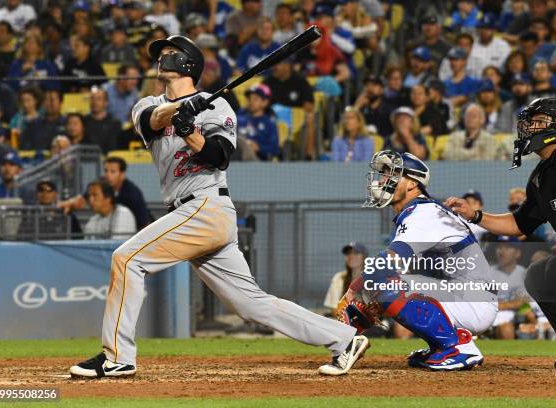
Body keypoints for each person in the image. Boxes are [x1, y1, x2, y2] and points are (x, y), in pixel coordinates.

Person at [69, 35, 367, 379]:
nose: (160, 58)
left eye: (168, 53)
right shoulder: (146, 104)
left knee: (127, 259)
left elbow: (218, 156)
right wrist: (181, 112)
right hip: (188, 212)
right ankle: (344, 339)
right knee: (250, 304)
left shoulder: (219, 107)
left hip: (206, 207)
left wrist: (192, 133)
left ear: (187, 63)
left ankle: (117, 356)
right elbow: (152, 119)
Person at [445, 97, 556, 373]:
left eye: (538, 121)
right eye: (529, 122)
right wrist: (476, 215)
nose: (529, 127)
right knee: (539, 274)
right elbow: (520, 224)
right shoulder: (542, 175)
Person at [341, 151, 497, 370]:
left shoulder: (424, 212)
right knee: (381, 282)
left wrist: (354, 288)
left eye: (392, 174)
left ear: (413, 183)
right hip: (463, 294)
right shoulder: (420, 211)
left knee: (382, 281)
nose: (383, 180)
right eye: (384, 174)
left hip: (472, 300)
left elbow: (389, 262)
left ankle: (457, 348)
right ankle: (439, 345)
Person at [59, 157, 152, 231]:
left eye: (113, 172)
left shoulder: (132, 194)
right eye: (106, 171)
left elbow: (145, 224)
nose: (108, 175)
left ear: (122, 174)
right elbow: (81, 199)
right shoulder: (101, 185)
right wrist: (67, 204)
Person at [489, 237, 529, 339]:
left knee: (507, 328)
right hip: (490, 318)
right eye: (499, 248)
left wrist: (499, 304)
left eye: (507, 248)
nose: (502, 252)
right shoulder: (488, 273)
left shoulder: (524, 274)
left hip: (517, 318)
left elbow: (521, 302)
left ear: (517, 253)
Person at [17, 180, 82, 239]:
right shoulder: (30, 215)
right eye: (41, 190)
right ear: (36, 194)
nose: (45, 194)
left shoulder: (66, 213)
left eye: (49, 191)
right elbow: (21, 236)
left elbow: (78, 237)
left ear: (56, 194)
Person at [441, 104, 506, 161]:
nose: (470, 119)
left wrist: (461, 154)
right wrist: (474, 152)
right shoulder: (454, 137)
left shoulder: (489, 139)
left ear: (482, 120)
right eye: (468, 116)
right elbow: (448, 156)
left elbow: (488, 159)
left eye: (474, 116)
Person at [236, 84, 279, 161]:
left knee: (241, 142)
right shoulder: (239, 119)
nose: (251, 101)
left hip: (258, 161)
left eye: (255, 99)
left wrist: (258, 147)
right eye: (249, 99)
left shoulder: (269, 123)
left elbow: (275, 149)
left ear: (265, 102)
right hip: (236, 156)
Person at [324, 242, 368, 311]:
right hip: (342, 320)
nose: (351, 256)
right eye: (348, 253)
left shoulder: (372, 279)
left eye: (356, 253)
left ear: (364, 257)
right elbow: (334, 307)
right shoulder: (339, 278)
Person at [83, 87, 122, 154]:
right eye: (92, 99)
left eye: (98, 99)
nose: (94, 102)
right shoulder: (83, 122)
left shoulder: (115, 123)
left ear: (106, 102)